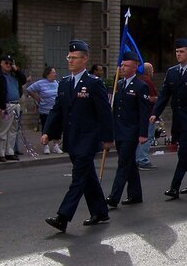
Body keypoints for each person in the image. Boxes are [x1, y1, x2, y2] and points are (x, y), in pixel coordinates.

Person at [43, 40, 114, 232]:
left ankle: (63, 217)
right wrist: (48, 132)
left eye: (74, 58)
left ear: (84, 59)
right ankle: (100, 211)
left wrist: (108, 137)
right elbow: (57, 110)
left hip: (88, 139)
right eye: (69, 57)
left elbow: (104, 112)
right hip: (72, 138)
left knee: (78, 178)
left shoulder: (93, 83)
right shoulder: (65, 83)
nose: (70, 61)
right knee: (88, 176)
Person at [151, 38, 187, 199]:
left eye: (182, 51)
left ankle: (174, 187)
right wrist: (155, 112)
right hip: (178, 118)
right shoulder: (172, 72)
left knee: (183, 151)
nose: (178, 54)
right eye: (176, 51)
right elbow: (164, 95)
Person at [105, 52, 150, 208]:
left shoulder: (140, 86)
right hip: (119, 130)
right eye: (122, 65)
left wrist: (143, 133)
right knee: (129, 163)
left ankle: (114, 197)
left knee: (123, 163)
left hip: (131, 131)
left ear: (134, 67)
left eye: (126, 65)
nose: (122, 67)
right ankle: (135, 194)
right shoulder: (120, 84)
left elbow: (144, 112)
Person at [0, 54, 27, 162]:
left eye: (10, 63)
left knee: (13, 130)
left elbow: (23, 80)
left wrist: (16, 69)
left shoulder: (14, 75)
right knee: (2, 130)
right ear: (1, 63)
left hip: (16, 104)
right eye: (6, 63)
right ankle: (0, 153)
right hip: (4, 106)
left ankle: (10, 151)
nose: (8, 65)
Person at [27, 66, 62, 154]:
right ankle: (46, 145)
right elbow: (29, 90)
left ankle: (56, 146)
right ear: (48, 74)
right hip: (45, 110)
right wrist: (37, 98)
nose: (55, 74)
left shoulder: (57, 83)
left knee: (57, 128)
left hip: (56, 110)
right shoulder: (40, 83)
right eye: (53, 73)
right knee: (46, 128)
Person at [136, 62, 159, 170]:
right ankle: (142, 159)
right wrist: (156, 99)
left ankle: (137, 159)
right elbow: (151, 98)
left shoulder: (138, 80)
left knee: (139, 137)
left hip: (139, 115)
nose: (153, 72)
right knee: (147, 136)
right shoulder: (147, 81)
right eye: (152, 70)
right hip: (148, 114)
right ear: (149, 71)